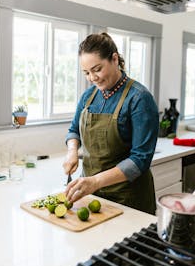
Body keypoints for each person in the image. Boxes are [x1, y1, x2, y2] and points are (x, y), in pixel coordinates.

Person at [63, 32, 159, 215]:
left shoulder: (139, 98)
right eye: (86, 73)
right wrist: (72, 151)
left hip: (128, 199)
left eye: (97, 69)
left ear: (114, 59)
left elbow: (140, 160)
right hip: (92, 195)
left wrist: (96, 181)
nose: (92, 78)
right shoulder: (88, 97)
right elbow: (74, 130)